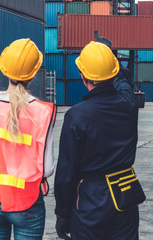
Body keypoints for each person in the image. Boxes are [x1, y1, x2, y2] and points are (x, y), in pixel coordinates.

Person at [0, 38, 56, 240]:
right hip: (29, 203)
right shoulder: (43, 112)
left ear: (4, 70)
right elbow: (47, 168)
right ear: (33, 75)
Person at [54, 40, 143, 240]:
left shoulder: (76, 115)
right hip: (125, 193)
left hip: (91, 198)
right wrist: (109, 58)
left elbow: (66, 173)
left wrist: (62, 213)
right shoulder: (129, 105)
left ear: (83, 76)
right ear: (113, 73)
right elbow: (124, 84)